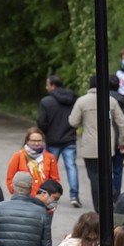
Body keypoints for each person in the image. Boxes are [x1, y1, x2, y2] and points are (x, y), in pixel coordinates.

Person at [69, 75, 124, 206]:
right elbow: (122, 123)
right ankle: (112, 193)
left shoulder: (82, 101)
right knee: (107, 174)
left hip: (89, 145)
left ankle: (99, 206)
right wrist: (122, 142)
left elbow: (73, 122)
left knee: (94, 176)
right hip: (108, 144)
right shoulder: (111, 101)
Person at [37, 76, 81, 207]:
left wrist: (45, 132)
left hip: (52, 140)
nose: (46, 87)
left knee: (48, 167)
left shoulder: (46, 101)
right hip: (69, 138)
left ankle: (48, 194)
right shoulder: (73, 99)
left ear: (52, 85)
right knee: (71, 167)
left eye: (47, 84)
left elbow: (42, 122)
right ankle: (74, 196)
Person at [3, 127, 60, 198]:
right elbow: (10, 179)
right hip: (23, 198)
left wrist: (49, 197)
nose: (36, 143)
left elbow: (55, 180)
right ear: (27, 141)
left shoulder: (50, 157)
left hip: (43, 200)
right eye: (33, 140)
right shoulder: (18, 156)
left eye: (39, 140)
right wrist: (17, 195)